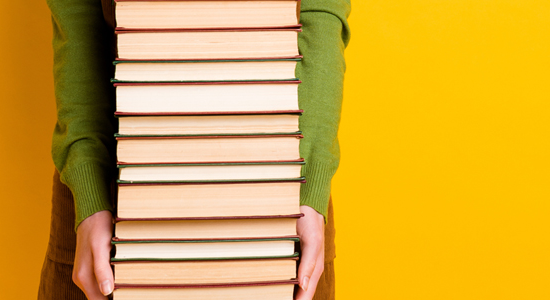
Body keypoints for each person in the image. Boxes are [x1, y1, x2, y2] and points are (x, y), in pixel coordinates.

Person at [38, 0, 350, 299]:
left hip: (286, 197)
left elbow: (321, 11)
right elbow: (78, 17)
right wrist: (88, 188)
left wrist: (310, 185)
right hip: (106, 198)